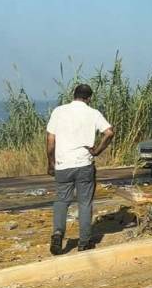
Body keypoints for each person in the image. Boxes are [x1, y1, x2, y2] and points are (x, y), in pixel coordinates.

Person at [46, 84, 115, 255]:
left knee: (62, 200)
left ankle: (57, 233)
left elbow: (50, 140)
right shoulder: (93, 113)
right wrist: (97, 151)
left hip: (63, 165)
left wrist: (50, 162)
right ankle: (84, 242)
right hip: (84, 164)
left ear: (73, 94)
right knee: (84, 203)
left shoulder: (59, 111)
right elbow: (109, 132)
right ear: (89, 98)